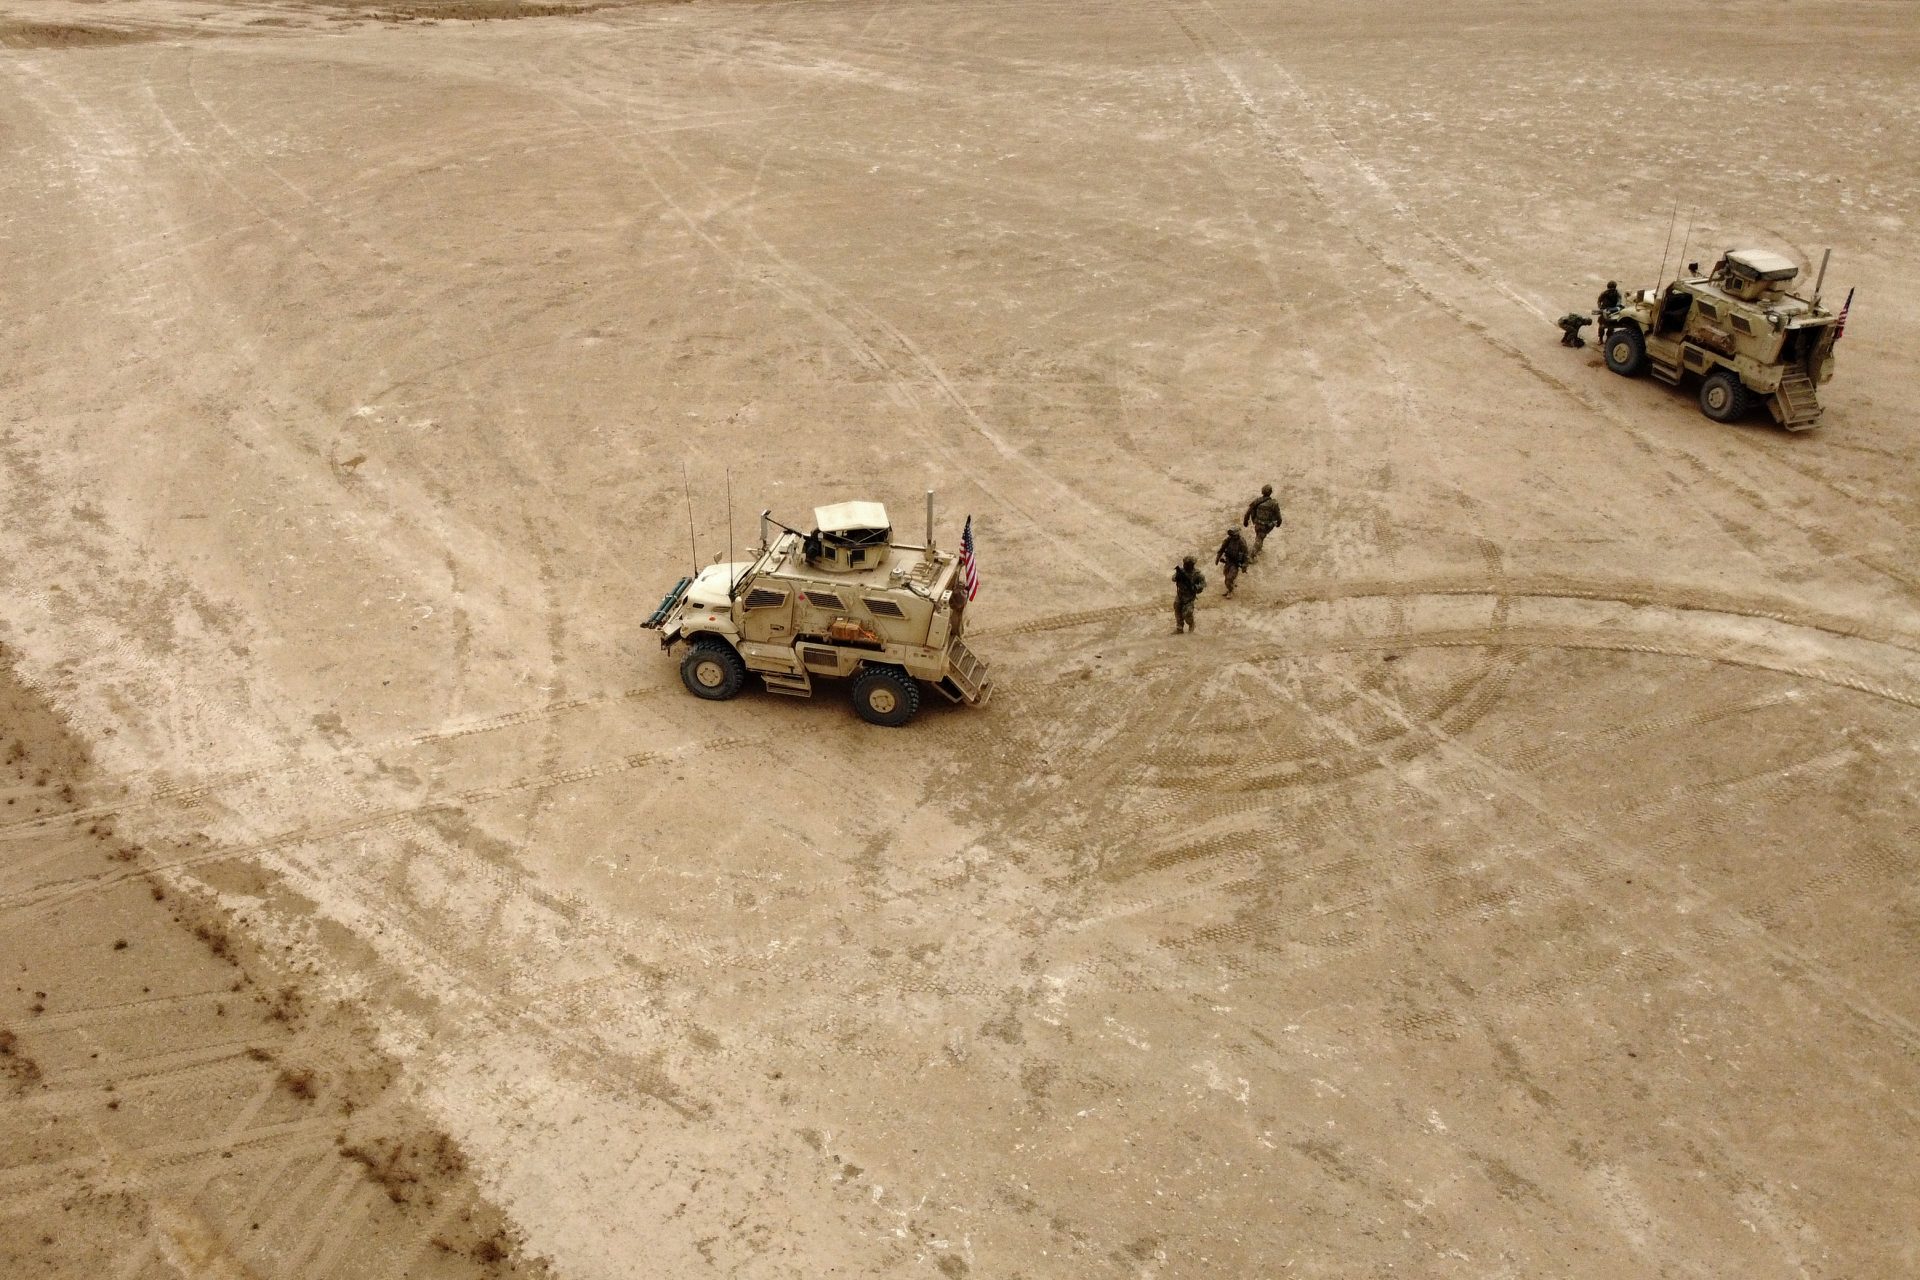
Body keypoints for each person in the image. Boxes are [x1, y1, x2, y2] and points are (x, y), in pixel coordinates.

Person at [1242, 485, 1283, 560]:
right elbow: (1278, 515)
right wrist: (1279, 522)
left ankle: (1258, 549)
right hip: (1267, 526)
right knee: (1260, 538)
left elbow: (1248, 511)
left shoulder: (1257, 501)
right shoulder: (1274, 503)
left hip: (1257, 524)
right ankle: (1251, 556)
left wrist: (1246, 521)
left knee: (1259, 536)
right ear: (1271, 492)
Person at [1172, 556, 1205, 634]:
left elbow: (1203, 583)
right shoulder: (1181, 572)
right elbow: (1173, 578)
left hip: (1189, 597)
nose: (1185, 565)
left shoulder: (1197, 574)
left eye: (1188, 564)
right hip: (1180, 595)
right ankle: (1179, 628)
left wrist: (1195, 587)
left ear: (1192, 565)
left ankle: (1191, 624)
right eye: (1185, 564)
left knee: (1187, 613)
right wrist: (1177, 577)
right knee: (1177, 610)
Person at [1215, 527, 1249, 597]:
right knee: (1226, 574)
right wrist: (1218, 558)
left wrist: (1245, 565)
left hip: (1235, 563)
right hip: (1228, 561)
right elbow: (1222, 549)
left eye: (1233, 535)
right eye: (1231, 535)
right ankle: (1231, 585)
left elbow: (1246, 554)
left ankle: (1230, 590)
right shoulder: (1228, 540)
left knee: (1228, 579)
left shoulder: (1241, 542)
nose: (1232, 536)